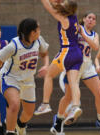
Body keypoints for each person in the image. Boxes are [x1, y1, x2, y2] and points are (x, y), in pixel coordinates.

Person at [0, 18, 49, 135]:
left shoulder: (39, 40)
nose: (40, 31)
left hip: (28, 81)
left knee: (28, 113)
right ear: (32, 32)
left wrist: (46, 65)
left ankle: (20, 125)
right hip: (10, 78)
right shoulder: (14, 45)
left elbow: (44, 53)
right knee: (14, 104)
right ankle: (10, 131)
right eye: (38, 29)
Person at [35, 0, 83, 134]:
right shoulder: (73, 16)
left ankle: (45, 104)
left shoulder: (62, 17)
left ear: (65, 8)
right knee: (73, 84)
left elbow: (47, 6)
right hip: (77, 54)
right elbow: (58, 3)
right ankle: (75, 106)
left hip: (66, 52)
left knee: (49, 75)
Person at [58, 12, 100, 130]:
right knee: (68, 98)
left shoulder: (94, 34)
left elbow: (95, 47)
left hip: (87, 66)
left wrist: (83, 35)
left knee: (99, 93)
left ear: (95, 22)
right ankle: (58, 120)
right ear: (84, 19)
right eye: (89, 17)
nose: (91, 20)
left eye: (93, 18)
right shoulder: (77, 27)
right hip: (74, 65)